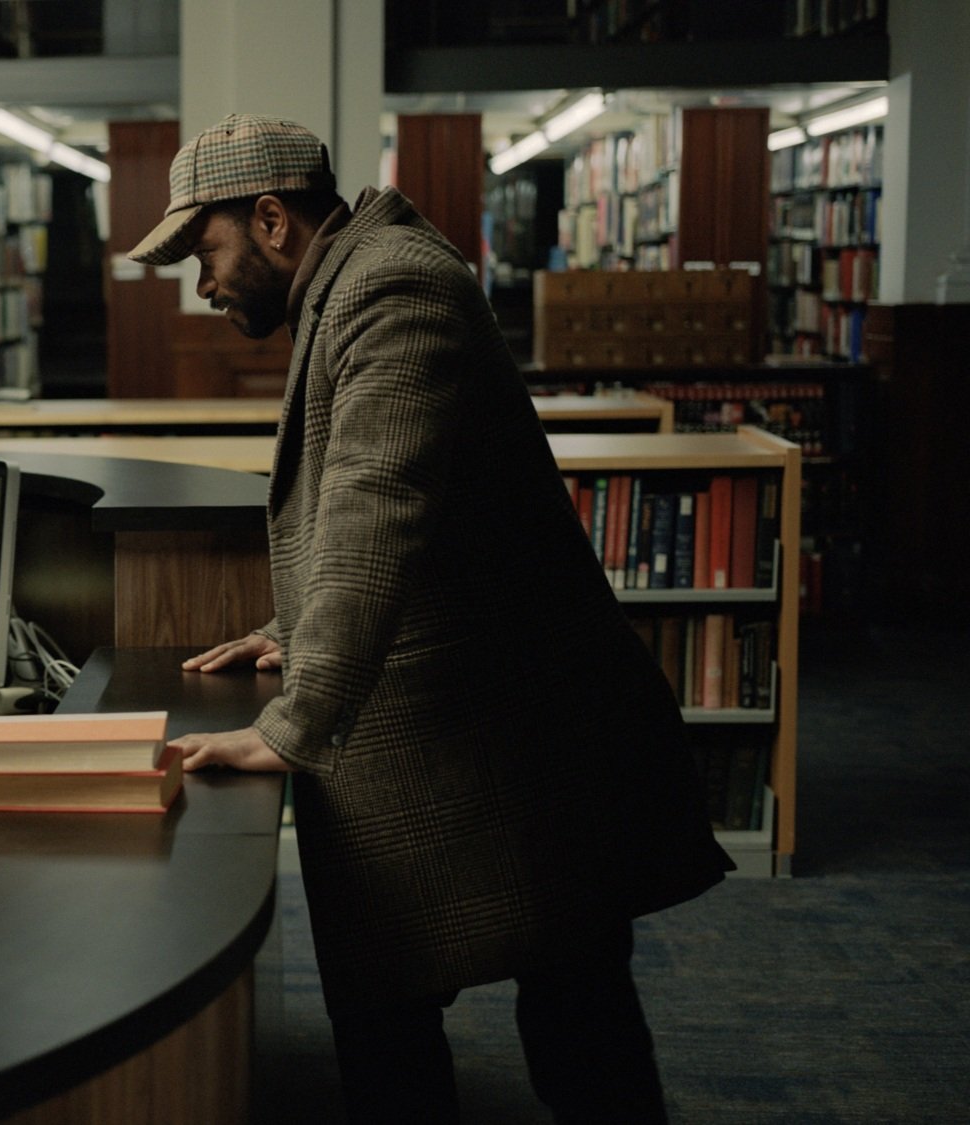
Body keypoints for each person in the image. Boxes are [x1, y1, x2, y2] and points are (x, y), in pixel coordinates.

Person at [130, 114, 732, 1122]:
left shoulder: (391, 285)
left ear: (271, 220)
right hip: (478, 727)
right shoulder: (353, 279)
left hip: (525, 743)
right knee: (473, 1013)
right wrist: (295, 635)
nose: (204, 282)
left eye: (207, 251)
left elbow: (376, 503)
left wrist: (290, 721)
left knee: (557, 1020)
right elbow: (418, 514)